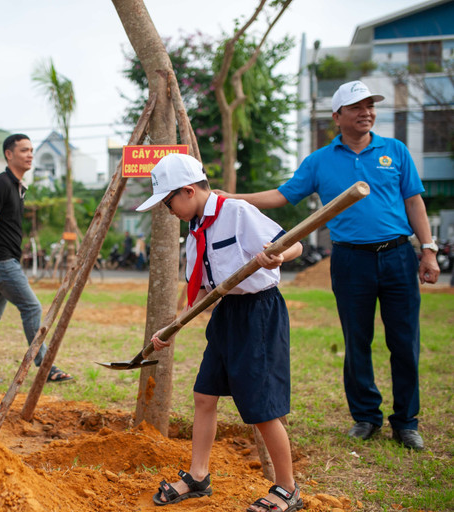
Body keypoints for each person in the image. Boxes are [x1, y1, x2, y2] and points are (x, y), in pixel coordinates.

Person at [218, 81, 439, 451]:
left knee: (404, 341)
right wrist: (232, 198)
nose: (365, 112)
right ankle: (366, 417)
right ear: (337, 116)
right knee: (357, 340)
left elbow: (414, 203)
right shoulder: (319, 161)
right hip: (351, 258)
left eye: (370, 106)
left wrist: (428, 250)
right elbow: (283, 195)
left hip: (399, 255)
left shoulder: (395, 151)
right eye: (356, 107)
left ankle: (406, 422)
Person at [139, 153, 303, 511]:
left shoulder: (236, 212)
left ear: (186, 191)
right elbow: (200, 290)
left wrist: (278, 257)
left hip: (258, 311)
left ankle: (288, 489)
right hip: (226, 314)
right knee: (204, 395)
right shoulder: (195, 231)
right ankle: (199, 476)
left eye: (168, 203)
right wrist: (173, 327)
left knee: (261, 407)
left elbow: (294, 243)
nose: (168, 211)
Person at [0, 134, 73, 384]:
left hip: (3, 260)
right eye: (24, 150)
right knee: (32, 307)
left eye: (32, 150)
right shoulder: (1, 183)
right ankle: (45, 366)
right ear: (8, 154)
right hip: (0, 261)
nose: (30, 154)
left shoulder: (18, 186)